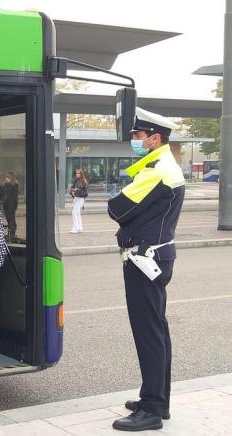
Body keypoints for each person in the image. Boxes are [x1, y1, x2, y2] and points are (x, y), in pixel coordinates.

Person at [108, 108, 184, 432]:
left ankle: (152, 409)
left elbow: (116, 207)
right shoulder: (165, 166)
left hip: (144, 261)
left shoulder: (156, 170)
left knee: (149, 333)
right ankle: (157, 400)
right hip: (155, 258)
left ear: (154, 138)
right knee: (157, 330)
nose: (135, 141)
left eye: (138, 136)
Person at [0, 172, 19, 242]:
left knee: (11, 220)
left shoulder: (14, 186)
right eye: (6, 177)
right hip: (6, 205)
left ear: (11, 178)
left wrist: (15, 205)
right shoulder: (3, 186)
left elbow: (15, 197)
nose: (6, 179)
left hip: (11, 205)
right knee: (9, 219)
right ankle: (11, 234)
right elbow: (1, 196)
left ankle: (12, 234)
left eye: (8, 177)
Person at [69, 169, 88, 233]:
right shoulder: (76, 181)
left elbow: (85, 193)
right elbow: (72, 189)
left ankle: (76, 228)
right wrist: (72, 191)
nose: (77, 174)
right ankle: (80, 227)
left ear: (81, 174)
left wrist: (76, 191)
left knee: (74, 212)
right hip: (76, 198)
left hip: (80, 199)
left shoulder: (84, 182)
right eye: (76, 173)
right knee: (77, 213)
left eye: (78, 173)